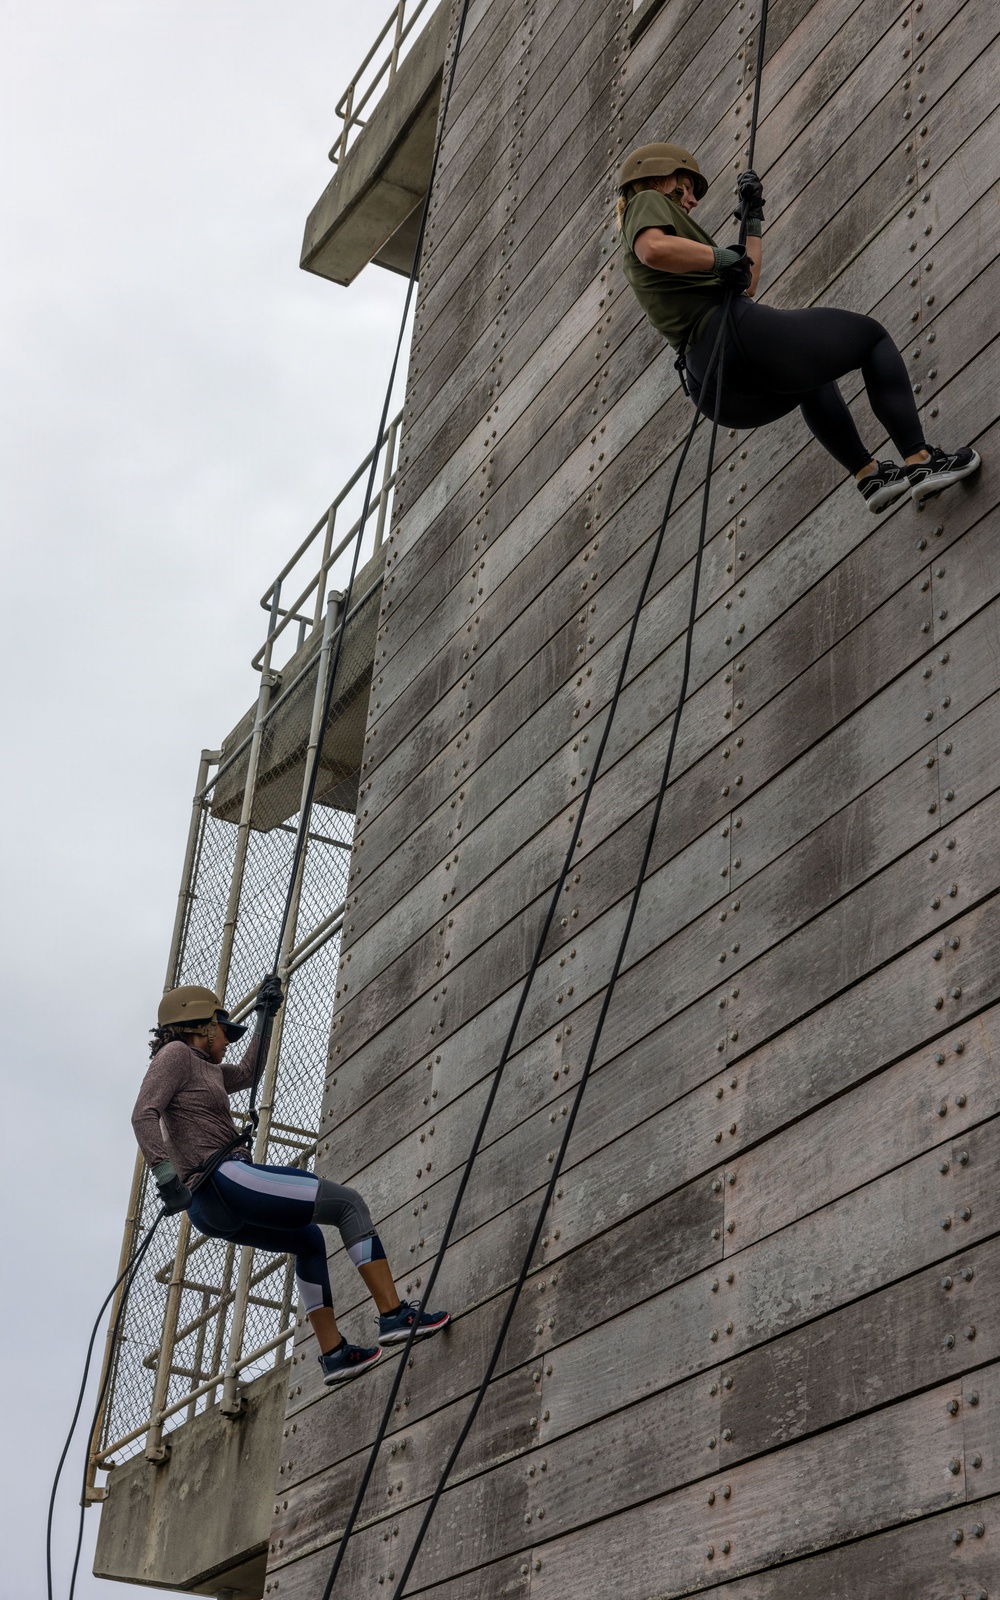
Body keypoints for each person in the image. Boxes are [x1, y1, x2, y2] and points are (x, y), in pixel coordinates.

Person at [617, 142, 981, 514]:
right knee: (871, 338)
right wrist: (723, 257)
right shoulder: (646, 201)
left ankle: (869, 475)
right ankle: (921, 461)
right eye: (687, 187)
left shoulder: (676, 243)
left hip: (714, 386)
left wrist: (752, 218)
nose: (693, 200)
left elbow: (748, 281)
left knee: (809, 376)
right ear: (661, 177)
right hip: (731, 334)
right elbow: (654, 249)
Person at [132, 982, 448, 1385]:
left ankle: (335, 1354)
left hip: (209, 1208)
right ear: (202, 1026)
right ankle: (393, 1315)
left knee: (308, 1240)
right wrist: (166, 1179)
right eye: (224, 1031)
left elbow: (248, 1074)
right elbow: (143, 1114)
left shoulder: (203, 1068)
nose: (227, 1041)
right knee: (347, 1205)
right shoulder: (176, 1055)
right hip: (224, 1179)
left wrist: (265, 1015)